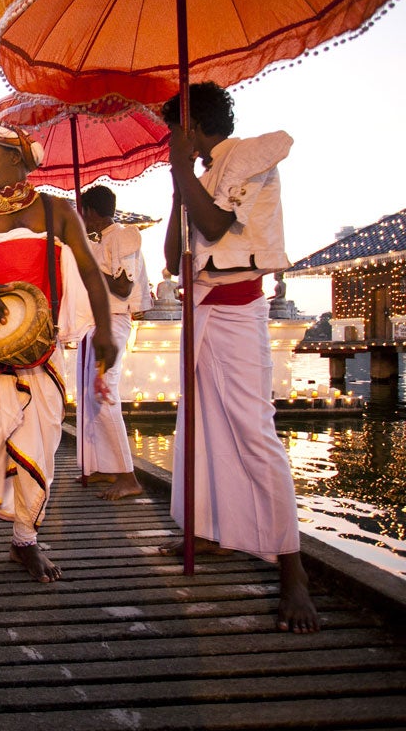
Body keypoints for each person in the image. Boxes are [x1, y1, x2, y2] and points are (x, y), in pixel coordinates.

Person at [162, 81, 318, 634]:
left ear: (193, 127)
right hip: (201, 307)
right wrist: (180, 185)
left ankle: (292, 568)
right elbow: (172, 259)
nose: (169, 141)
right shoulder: (200, 175)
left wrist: (184, 173)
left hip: (239, 307)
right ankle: (210, 530)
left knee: (253, 430)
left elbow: (214, 227)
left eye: (173, 131)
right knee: (200, 425)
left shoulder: (252, 156)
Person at [0, 117, 117, 583]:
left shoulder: (58, 211)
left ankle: (24, 541)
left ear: (17, 157)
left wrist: (104, 334)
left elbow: (91, 274)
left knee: (40, 439)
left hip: (42, 348)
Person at [76, 185, 152, 500]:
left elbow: (121, 287)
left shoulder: (124, 235)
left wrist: (90, 269)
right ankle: (101, 466)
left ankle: (128, 475)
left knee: (103, 392)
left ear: (91, 213)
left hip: (115, 320)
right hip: (93, 323)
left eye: (83, 213)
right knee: (87, 396)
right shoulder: (99, 241)